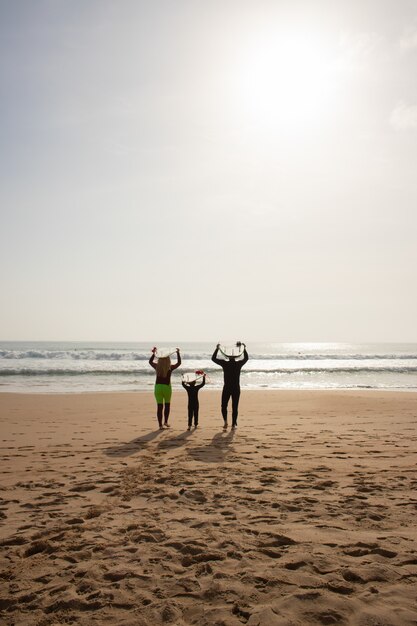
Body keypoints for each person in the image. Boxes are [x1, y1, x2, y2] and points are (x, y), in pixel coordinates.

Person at [211, 342, 248, 430]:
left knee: (224, 406)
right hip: (236, 388)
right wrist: (244, 348)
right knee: (234, 407)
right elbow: (246, 358)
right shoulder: (238, 364)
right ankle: (233, 424)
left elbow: (213, 358)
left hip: (227, 388)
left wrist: (217, 349)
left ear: (227, 356)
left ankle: (225, 422)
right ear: (236, 356)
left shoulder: (225, 363)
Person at [149, 347, 181, 430]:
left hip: (158, 388)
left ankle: (160, 425)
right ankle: (166, 422)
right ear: (168, 360)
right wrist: (177, 353)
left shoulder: (157, 367)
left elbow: (150, 362)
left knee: (159, 406)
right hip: (167, 388)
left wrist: (154, 353)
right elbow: (179, 363)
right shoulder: (170, 367)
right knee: (167, 405)